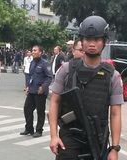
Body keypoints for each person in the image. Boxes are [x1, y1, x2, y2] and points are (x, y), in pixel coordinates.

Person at [49, 15, 123, 160]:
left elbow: (115, 113)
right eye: (88, 39)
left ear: (104, 41)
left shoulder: (112, 75)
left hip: (97, 141)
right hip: (68, 140)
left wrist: (114, 148)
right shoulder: (66, 69)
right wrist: (53, 136)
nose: (92, 44)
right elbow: (54, 101)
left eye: (97, 39)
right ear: (81, 42)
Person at [20, 45, 52, 138]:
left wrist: (43, 87)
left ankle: (39, 130)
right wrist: (28, 87)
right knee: (27, 109)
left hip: (40, 92)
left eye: (35, 50)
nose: (33, 52)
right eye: (32, 50)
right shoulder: (32, 62)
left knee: (40, 111)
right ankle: (29, 128)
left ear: (40, 52)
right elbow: (30, 76)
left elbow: (49, 77)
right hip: (32, 90)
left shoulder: (45, 63)